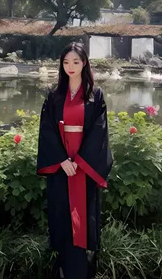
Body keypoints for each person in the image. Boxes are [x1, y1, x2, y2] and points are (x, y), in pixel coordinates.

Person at [37, 42, 113, 279]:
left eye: (76, 62)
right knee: (61, 215)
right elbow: (47, 130)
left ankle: (82, 270)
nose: (71, 67)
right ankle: (62, 268)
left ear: (85, 63)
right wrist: (61, 160)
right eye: (66, 62)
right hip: (62, 168)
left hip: (84, 168)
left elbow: (99, 132)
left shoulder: (95, 95)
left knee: (83, 220)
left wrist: (79, 161)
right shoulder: (54, 95)